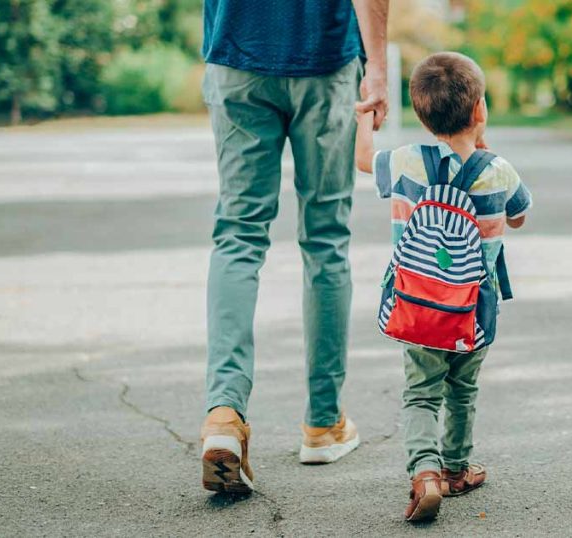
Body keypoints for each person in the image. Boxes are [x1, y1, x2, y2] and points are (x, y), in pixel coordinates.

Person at [198, 0, 389, 494]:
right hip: (323, 60)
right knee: (325, 240)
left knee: (238, 234)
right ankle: (323, 424)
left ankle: (224, 413)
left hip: (236, 51)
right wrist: (379, 70)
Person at [355, 52, 533, 521]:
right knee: (462, 389)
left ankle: (425, 473)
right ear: (480, 110)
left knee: (420, 393)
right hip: (474, 310)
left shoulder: (406, 162)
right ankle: (456, 469)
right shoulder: (499, 171)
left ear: (420, 114)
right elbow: (518, 216)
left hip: (417, 308)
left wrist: (365, 117)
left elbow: (359, 161)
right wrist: (483, 144)